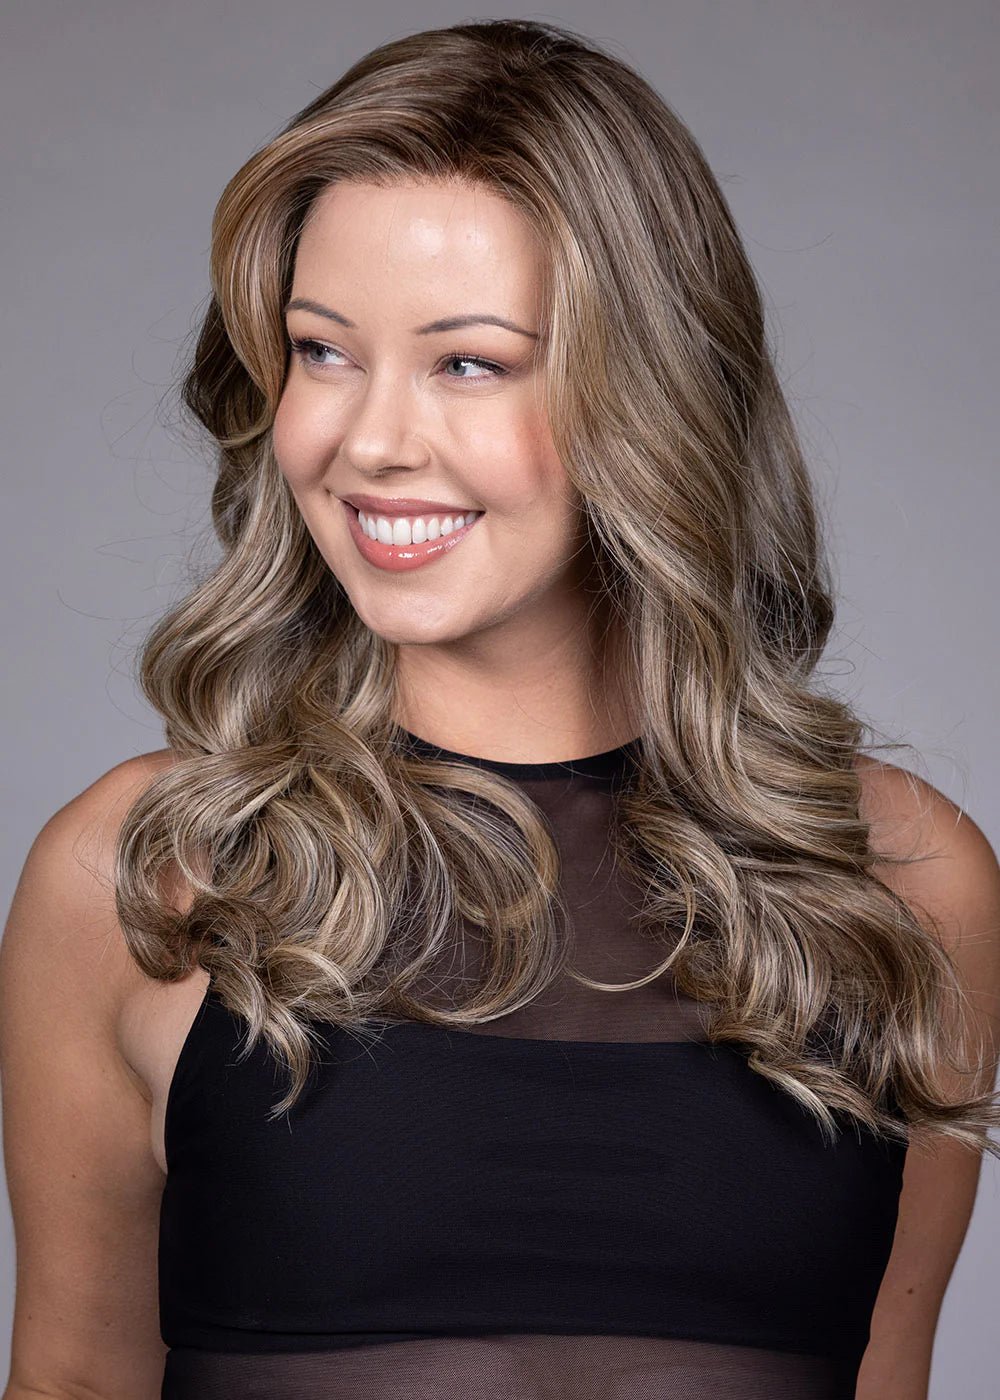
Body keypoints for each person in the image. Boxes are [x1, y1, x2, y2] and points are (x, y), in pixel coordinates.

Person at [2, 17, 999, 1400]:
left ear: (645, 394)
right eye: (322, 351)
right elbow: (70, 1380)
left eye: (467, 362)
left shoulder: (899, 887)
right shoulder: (150, 878)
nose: (369, 441)